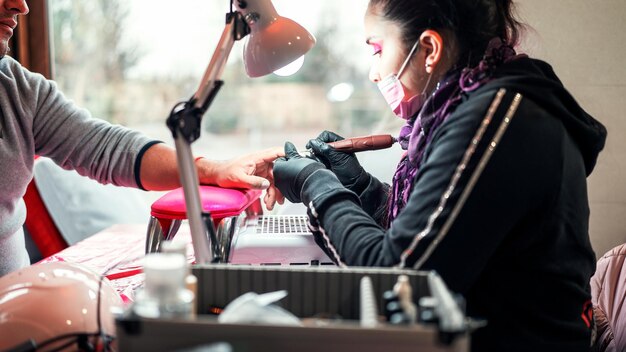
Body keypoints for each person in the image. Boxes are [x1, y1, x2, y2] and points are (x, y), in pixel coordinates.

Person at [273, 0, 607, 351]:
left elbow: (400, 280)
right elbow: (440, 231)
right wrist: (363, 189)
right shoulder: (485, 105)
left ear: (429, 48)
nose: (374, 72)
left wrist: (314, 184)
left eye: (377, 49)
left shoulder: (492, 122)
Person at [0, 0, 283, 277]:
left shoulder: (20, 90)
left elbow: (109, 149)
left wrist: (217, 170)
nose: (20, 6)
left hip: (17, 303)